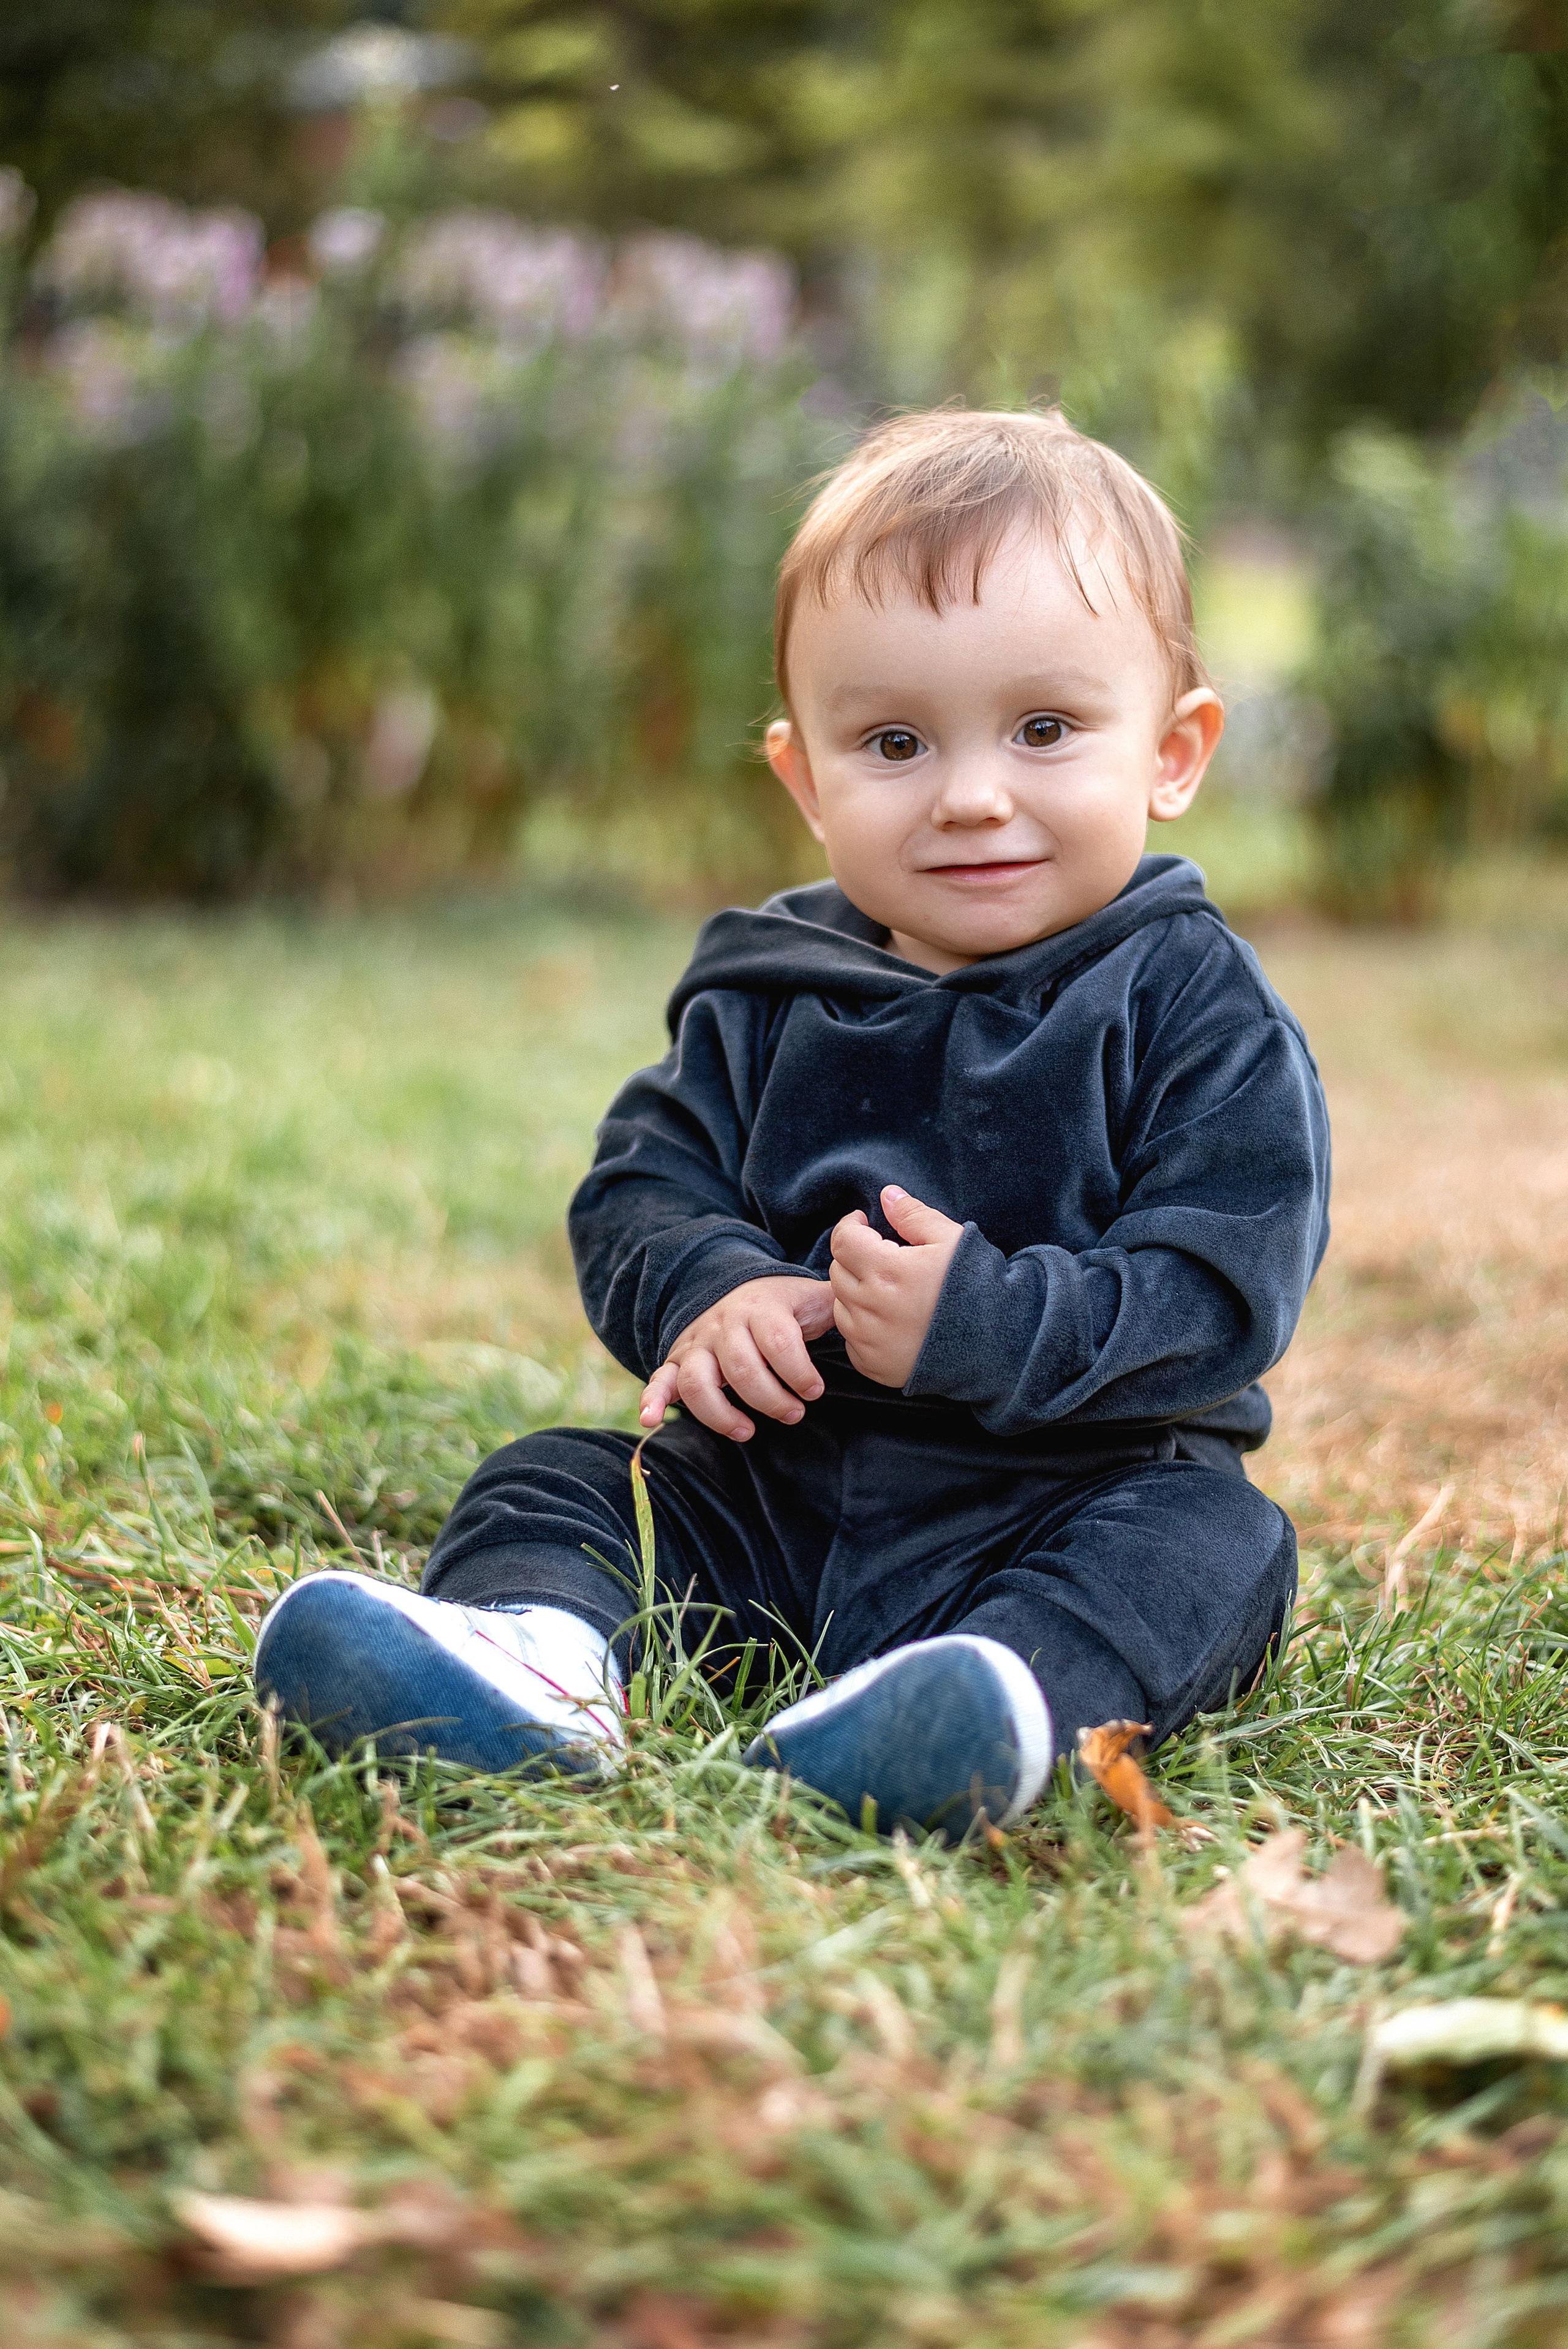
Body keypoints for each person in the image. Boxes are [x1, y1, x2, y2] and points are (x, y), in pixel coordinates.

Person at [255, 407, 1330, 1843]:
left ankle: (986, 1699)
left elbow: (1221, 1289)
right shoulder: (768, 991)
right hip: (773, 1491)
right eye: (893, 741)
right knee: (560, 1480)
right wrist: (717, 1287)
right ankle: (536, 1664)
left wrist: (986, 1317)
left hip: (1067, 1493)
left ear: (1171, 749)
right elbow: (642, 1183)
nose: (969, 794)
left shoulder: (1188, 1001)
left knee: (1214, 1548)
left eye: (1044, 728)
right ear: (803, 778)